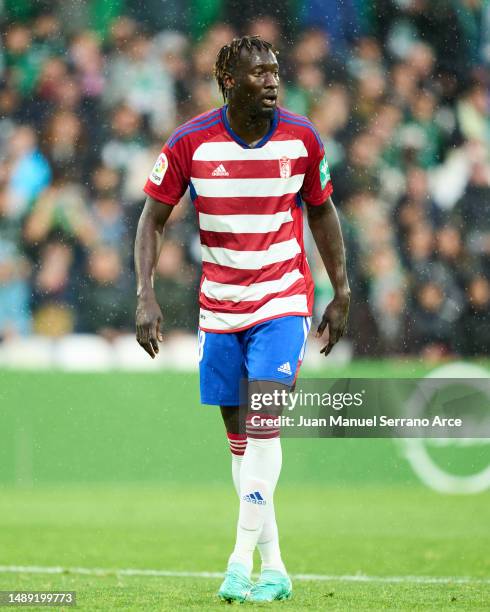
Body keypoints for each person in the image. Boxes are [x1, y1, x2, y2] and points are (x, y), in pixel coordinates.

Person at [134, 35, 350, 603]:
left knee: (264, 425)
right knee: (241, 444)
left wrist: (342, 288)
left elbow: (323, 212)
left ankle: (237, 561)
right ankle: (274, 566)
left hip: (283, 300)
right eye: (259, 74)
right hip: (220, 307)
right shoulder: (190, 142)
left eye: (276, 71)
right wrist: (144, 293)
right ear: (228, 81)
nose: (273, 81)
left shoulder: (301, 137)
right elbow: (151, 219)